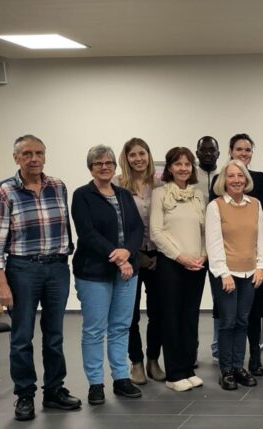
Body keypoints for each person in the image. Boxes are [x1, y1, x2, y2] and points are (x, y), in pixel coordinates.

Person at [0, 135, 82, 420]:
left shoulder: (57, 186)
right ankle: (24, 395)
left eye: (39, 153)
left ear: (45, 155)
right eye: (27, 154)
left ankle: (54, 391)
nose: (34, 158)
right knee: (21, 336)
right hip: (22, 269)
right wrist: (0, 282)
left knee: (54, 335)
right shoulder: (4, 191)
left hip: (57, 268)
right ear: (17, 158)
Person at [72, 145, 144, 405]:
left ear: (115, 165)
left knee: (120, 327)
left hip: (128, 269)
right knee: (94, 330)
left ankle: (122, 378)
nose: (104, 167)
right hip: (94, 273)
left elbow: (137, 228)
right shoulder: (82, 195)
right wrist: (118, 256)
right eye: (98, 163)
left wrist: (127, 252)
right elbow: (87, 233)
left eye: (109, 162)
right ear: (90, 167)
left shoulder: (124, 194)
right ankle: (95, 384)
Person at [206, 159, 263, 390]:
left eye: (240, 176)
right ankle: (226, 371)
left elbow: (260, 238)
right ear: (224, 180)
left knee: (243, 322)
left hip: (250, 273)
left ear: (246, 179)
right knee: (228, 322)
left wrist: (261, 266)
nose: (236, 180)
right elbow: (213, 243)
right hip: (226, 274)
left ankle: (238, 366)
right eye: (231, 176)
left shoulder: (255, 204)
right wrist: (223, 273)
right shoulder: (216, 206)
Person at [150, 147, 207, 392]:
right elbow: (156, 232)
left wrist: (202, 255)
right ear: (169, 168)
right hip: (171, 264)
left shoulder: (198, 195)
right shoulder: (159, 194)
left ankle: (187, 369)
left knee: (190, 317)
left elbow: (205, 230)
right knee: (171, 318)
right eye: (178, 164)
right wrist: (180, 256)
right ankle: (174, 374)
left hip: (197, 264)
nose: (183, 168)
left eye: (187, 164)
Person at [114, 137, 165, 385]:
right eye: (132, 154)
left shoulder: (161, 184)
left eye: (142, 153)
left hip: (159, 256)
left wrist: (156, 254)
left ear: (148, 154)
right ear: (126, 158)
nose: (138, 159)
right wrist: (138, 255)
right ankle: (136, 362)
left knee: (158, 312)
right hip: (131, 258)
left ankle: (153, 359)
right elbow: (117, 227)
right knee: (130, 314)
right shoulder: (117, 186)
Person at [226, 133, 263, 376]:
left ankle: (254, 356)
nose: (244, 154)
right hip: (229, 259)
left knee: (252, 312)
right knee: (230, 316)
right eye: (239, 149)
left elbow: (261, 222)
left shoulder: (260, 180)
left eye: (248, 150)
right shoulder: (222, 181)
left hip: (253, 257)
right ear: (230, 151)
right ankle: (231, 363)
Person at [193, 136, 220, 364]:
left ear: (219, 154)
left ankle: (219, 348)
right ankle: (190, 350)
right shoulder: (190, 178)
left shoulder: (225, 179)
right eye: (204, 150)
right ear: (197, 153)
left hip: (218, 248)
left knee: (221, 300)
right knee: (191, 302)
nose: (208, 154)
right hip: (193, 248)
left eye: (212, 150)